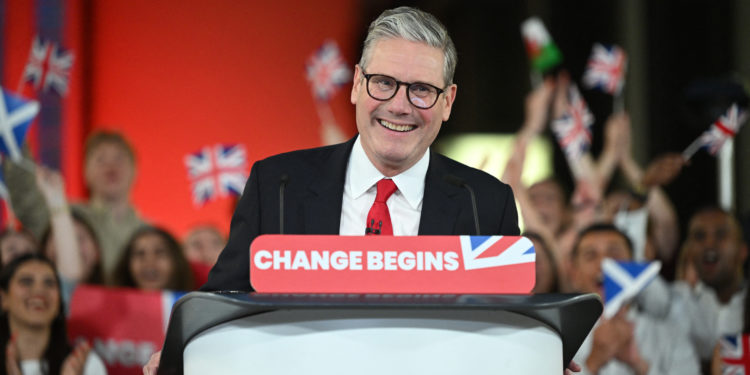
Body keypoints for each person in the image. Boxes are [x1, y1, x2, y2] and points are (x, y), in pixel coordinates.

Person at [200, 6, 519, 293]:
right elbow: (222, 303)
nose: (398, 106)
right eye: (383, 82)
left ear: (447, 101)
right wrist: (181, 349)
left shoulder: (487, 205)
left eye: (421, 89)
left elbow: (509, 325)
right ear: (356, 84)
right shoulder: (276, 188)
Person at [3, 131, 147, 282]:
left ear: (135, 170)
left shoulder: (150, 235)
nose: (110, 166)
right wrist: (12, 130)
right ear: (85, 172)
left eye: (119, 158)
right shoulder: (63, 215)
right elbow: (26, 198)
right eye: (100, 159)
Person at [569, 223, 699, 374]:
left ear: (633, 265)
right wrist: (593, 362)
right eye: (591, 256)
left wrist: (638, 365)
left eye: (614, 253)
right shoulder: (558, 340)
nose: (605, 264)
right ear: (574, 274)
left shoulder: (671, 336)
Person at [0, 253, 107, 375]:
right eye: (26, 282)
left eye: (49, 283)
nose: (39, 291)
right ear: (3, 298)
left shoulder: (86, 365)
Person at [113, 226, 194, 291]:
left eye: (159, 252)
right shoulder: (111, 306)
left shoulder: (193, 307)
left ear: (176, 261)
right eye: (140, 254)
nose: (149, 262)